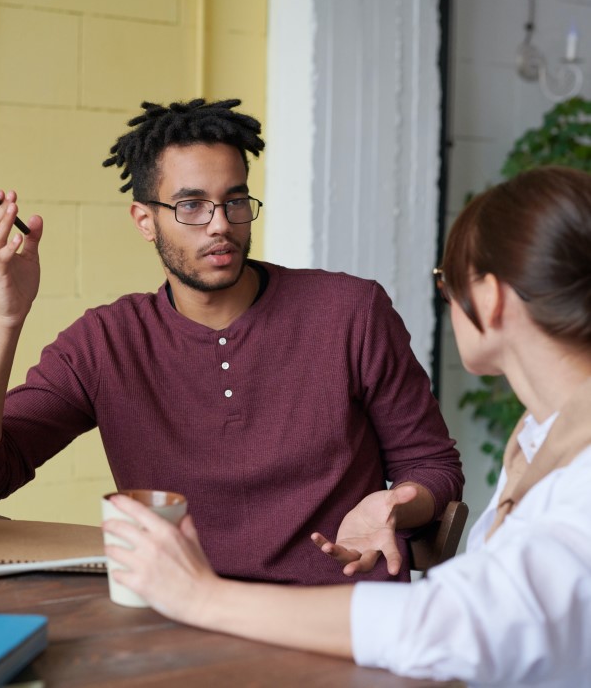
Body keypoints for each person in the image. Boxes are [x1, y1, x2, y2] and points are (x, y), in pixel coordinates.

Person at [104, 165, 591, 687]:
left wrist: (199, 595)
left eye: (446, 282)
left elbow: (460, 623)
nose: (219, 225)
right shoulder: (540, 436)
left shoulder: (579, 477)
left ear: (491, 298)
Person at [0, 98, 462, 585]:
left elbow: (431, 464)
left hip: (338, 614)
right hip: (185, 617)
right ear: (144, 220)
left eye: (235, 200)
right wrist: (6, 319)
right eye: (191, 205)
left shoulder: (350, 311)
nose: (220, 224)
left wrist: (395, 504)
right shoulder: (105, 343)